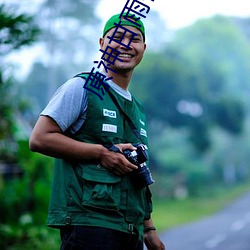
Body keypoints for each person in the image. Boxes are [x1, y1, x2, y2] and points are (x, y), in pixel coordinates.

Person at [29, 12, 165, 250]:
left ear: (143, 47)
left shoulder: (138, 108)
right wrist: (102, 153)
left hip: (130, 229)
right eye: (117, 37)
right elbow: (40, 138)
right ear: (102, 44)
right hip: (89, 225)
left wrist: (149, 228)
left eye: (134, 39)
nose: (126, 45)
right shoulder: (81, 87)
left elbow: (136, 170)